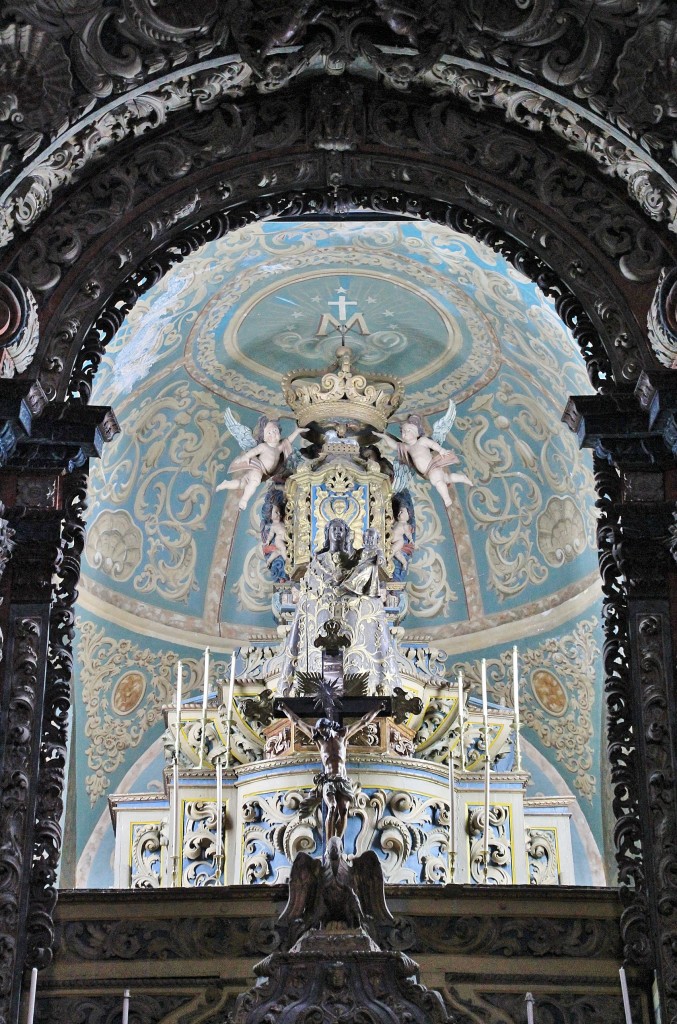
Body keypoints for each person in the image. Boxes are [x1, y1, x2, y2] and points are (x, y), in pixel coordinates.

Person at [280, 703, 386, 841]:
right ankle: (330, 843)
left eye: (323, 730)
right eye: (319, 730)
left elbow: (363, 722)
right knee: (332, 807)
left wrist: (377, 708)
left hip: (342, 780)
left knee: (344, 811)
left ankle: (338, 842)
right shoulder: (318, 739)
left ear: (329, 727)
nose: (321, 733)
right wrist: (284, 709)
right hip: (329, 780)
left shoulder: (342, 735)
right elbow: (297, 722)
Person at [378, 414, 471, 508]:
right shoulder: (407, 447)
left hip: (432, 467)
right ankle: (462, 478)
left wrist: (441, 450)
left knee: (438, 482)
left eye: (408, 430)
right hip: (427, 472)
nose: (405, 433)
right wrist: (384, 436)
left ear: (417, 432)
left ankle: (447, 498)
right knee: (446, 478)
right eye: (403, 431)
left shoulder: (422, 441)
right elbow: (394, 445)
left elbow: (433, 444)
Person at [216, 418, 306, 510]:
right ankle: (244, 500)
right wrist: (246, 457)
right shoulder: (264, 446)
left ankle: (226, 484)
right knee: (255, 481)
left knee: (243, 484)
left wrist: (297, 431)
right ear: (264, 438)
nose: (274, 433)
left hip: (263, 473)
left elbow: (288, 440)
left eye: (275, 430)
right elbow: (254, 451)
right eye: (269, 433)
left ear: (279, 431)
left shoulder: (279, 447)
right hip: (258, 468)